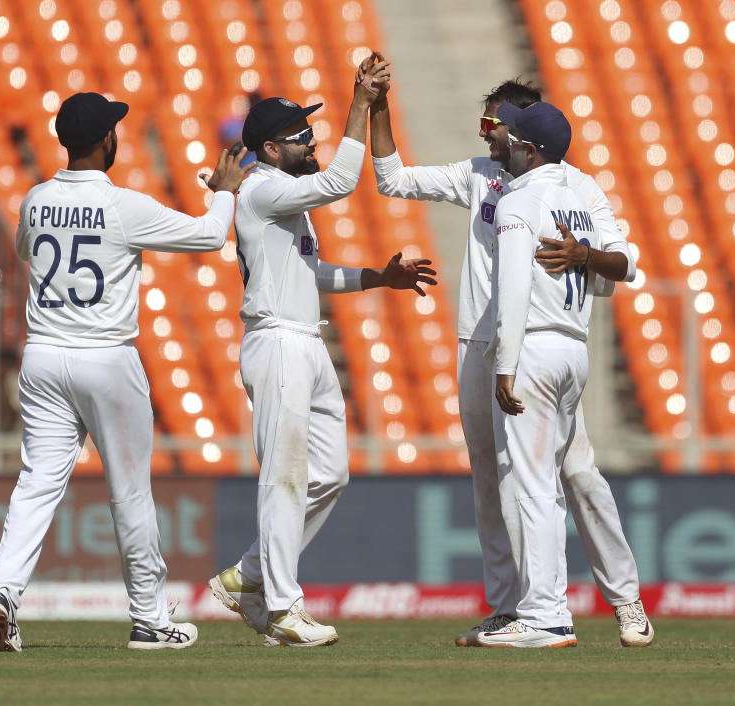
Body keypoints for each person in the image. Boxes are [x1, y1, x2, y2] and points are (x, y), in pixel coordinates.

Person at [366, 66, 653, 647]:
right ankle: (508, 605)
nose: (483, 136)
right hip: (481, 340)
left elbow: (624, 264)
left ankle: (624, 600)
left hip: (539, 343)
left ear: (519, 127)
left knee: (576, 474)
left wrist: (584, 255)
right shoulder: (479, 175)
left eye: (490, 123)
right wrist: (376, 106)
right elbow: (393, 179)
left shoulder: (576, 185)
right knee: (491, 477)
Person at [0, 91, 252, 652]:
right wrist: (224, 195)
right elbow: (207, 235)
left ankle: (2, 594)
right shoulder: (123, 204)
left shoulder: (35, 199)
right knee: (130, 493)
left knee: (35, 486)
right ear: (106, 140)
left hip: (44, 355)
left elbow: (27, 250)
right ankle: (150, 619)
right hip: (105, 355)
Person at [208, 59, 437, 647]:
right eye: (301, 138)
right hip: (277, 339)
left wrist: (376, 279)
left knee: (329, 472)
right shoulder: (261, 189)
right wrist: (359, 104)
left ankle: (250, 576)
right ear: (269, 149)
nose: (313, 143)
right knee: (283, 476)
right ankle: (283, 610)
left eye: (313, 134)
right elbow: (341, 181)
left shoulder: (287, 198)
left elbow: (312, 272)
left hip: (305, 340)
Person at [480, 100, 602, 646]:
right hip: (574, 345)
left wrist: (504, 365)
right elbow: (605, 275)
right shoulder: (576, 201)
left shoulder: (519, 201)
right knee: (547, 486)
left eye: (512, 137)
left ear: (528, 148)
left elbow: (512, 291)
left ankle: (546, 615)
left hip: (534, 347)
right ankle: (551, 609)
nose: (503, 142)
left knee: (531, 486)